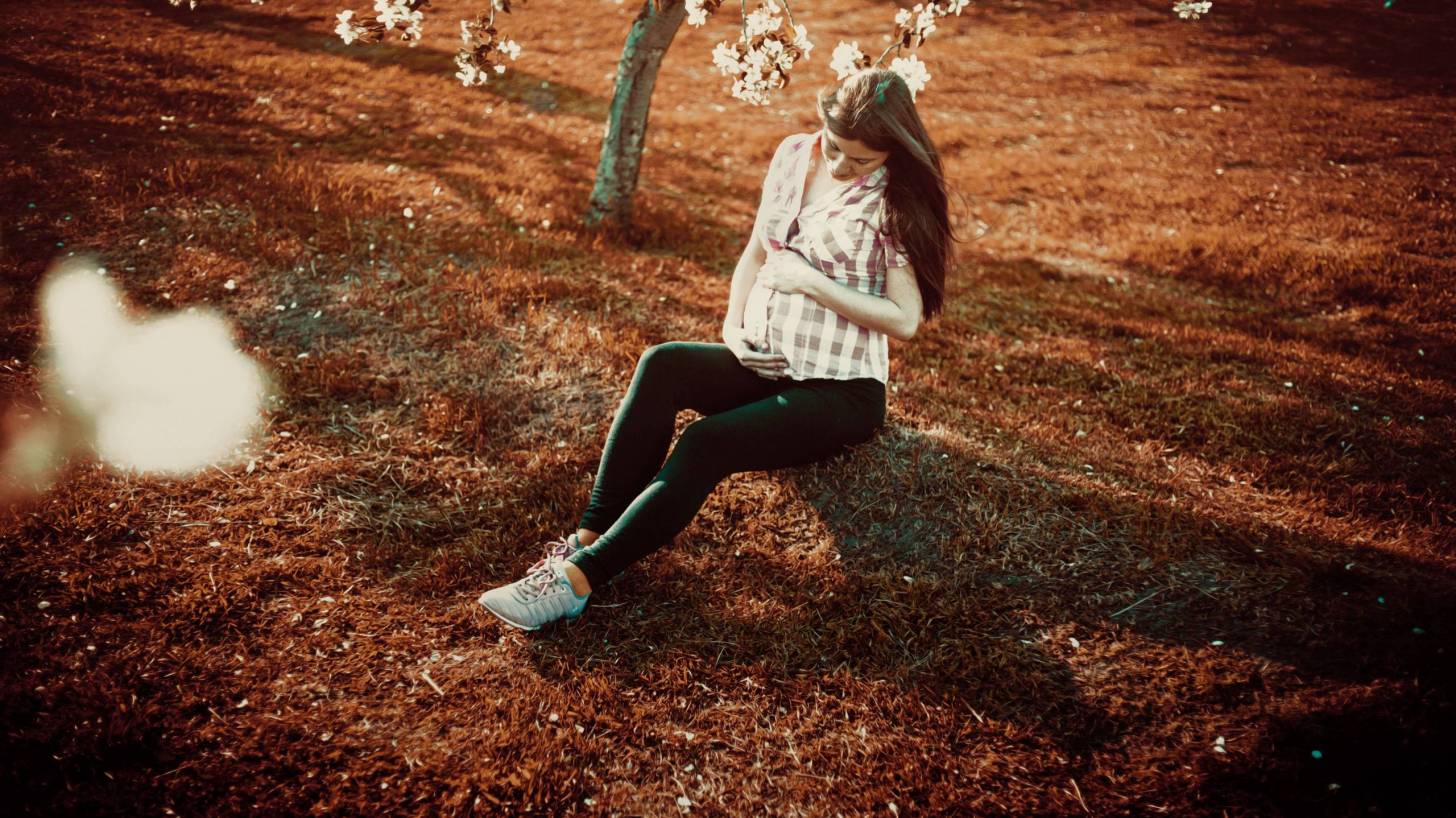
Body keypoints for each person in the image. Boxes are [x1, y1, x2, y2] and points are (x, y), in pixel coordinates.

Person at [478, 68, 955, 630]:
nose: (840, 166)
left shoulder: (895, 197)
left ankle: (577, 584)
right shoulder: (794, 155)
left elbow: (905, 320)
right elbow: (757, 249)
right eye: (835, 148)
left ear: (892, 150)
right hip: (768, 362)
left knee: (707, 441)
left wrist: (811, 282)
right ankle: (583, 540)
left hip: (839, 390)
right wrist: (734, 330)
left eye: (860, 160)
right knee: (664, 364)